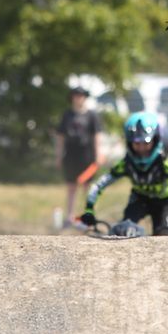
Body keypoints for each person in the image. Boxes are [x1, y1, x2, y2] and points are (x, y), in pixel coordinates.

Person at [79, 111, 168, 236]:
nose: (141, 148)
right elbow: (98, 186)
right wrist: (89, 210)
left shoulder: (167, 165)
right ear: (129, 143)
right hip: (139, 199)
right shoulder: (125, 164)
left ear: (156, 140)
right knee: (123, 231)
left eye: (146, 143)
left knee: (164, 236)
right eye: (137, 143)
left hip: (167, 203)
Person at [55, 85, 104, 228]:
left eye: (81, 96)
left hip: (86, 155)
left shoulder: (91, 115)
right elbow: (61, 136)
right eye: (76, 95)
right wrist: (58, 155)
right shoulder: (67, 115)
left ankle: (87, 216)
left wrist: (98, 153)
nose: (79, 98)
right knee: (71, 186)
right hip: (70, 154)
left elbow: (97, 135)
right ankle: (69, 217)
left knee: (87, 187)